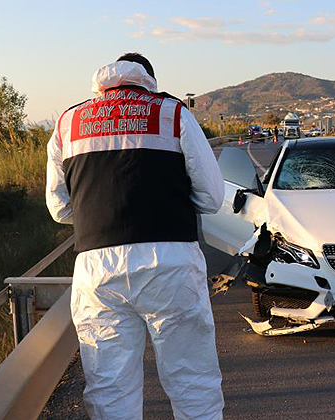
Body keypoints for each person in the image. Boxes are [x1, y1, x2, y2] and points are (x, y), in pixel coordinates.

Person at [46, 53, 226, 419]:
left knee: (110, 387)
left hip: (97, 268)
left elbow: (60, 208)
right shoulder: (172, 113)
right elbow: (212, 197)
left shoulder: (69, 122)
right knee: (192, 379)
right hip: (170, 261)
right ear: (149, 81)